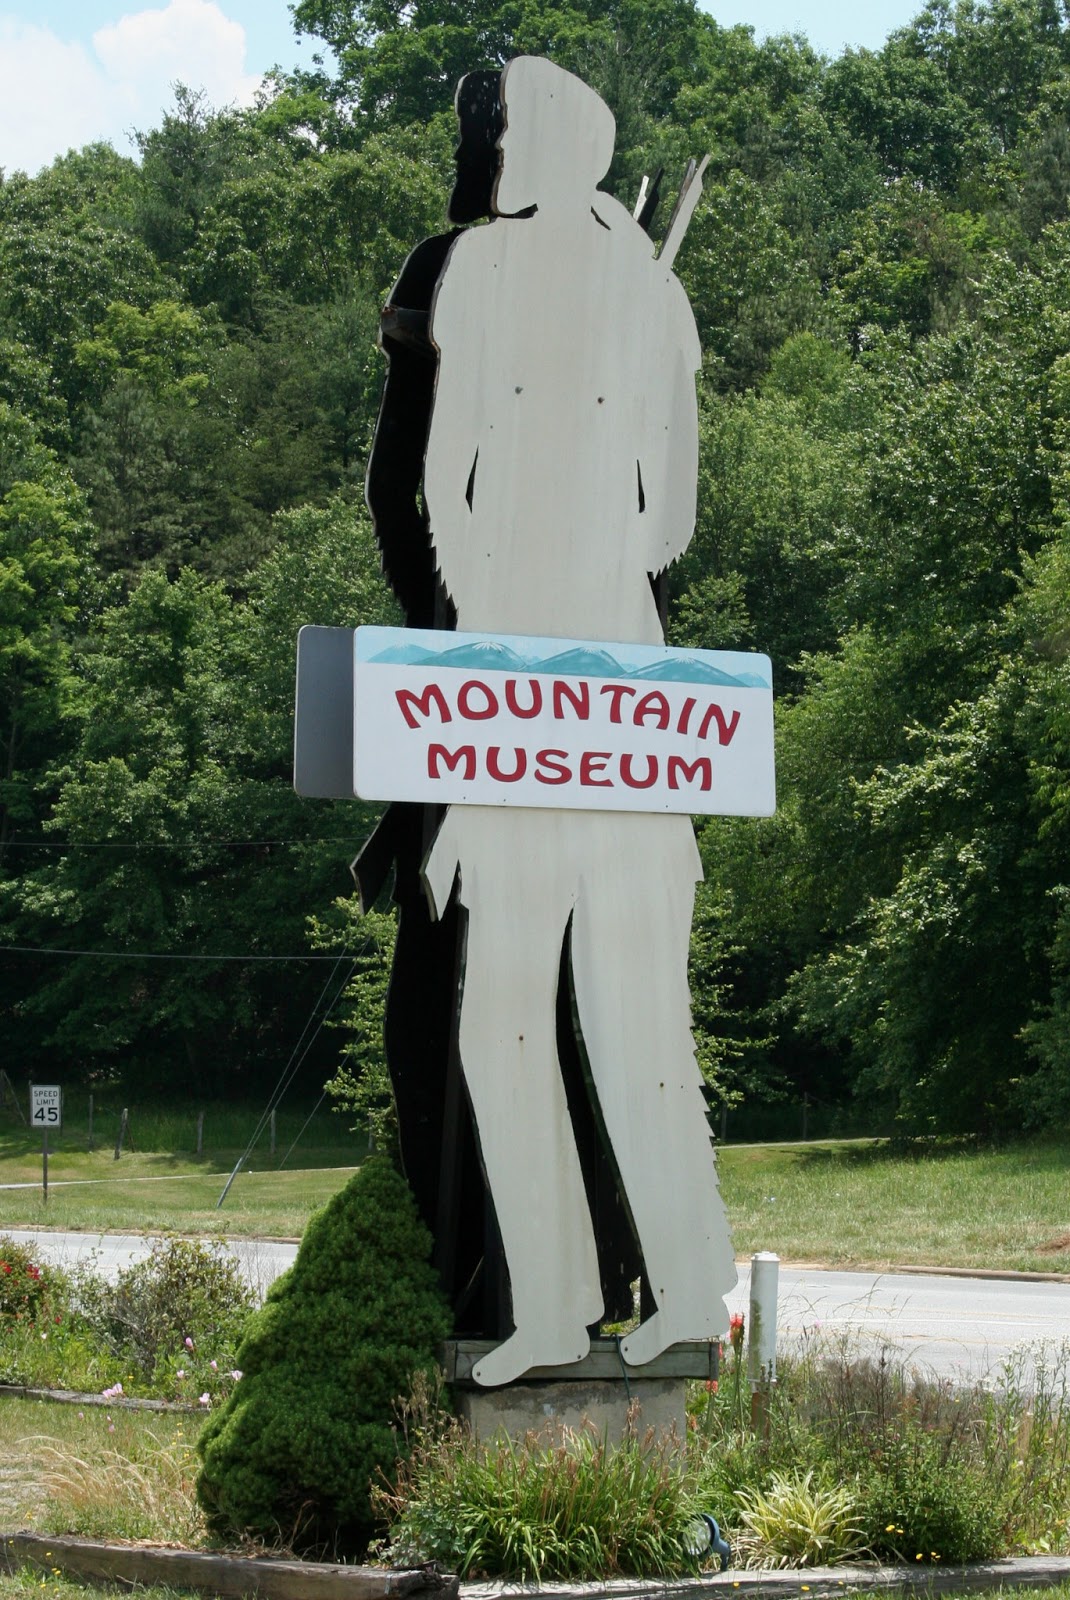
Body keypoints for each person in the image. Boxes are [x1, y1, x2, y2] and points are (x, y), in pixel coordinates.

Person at [420, 56, 737, 1388]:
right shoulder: (645, 288)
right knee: (632, 1017)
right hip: (615, 676)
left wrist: (505, 574)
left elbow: (448, 487)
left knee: (509, 1013)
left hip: (524, 683)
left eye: (504, 134)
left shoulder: (483, 274)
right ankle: (683, 1295)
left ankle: (558, 1310)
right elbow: (670, 519)